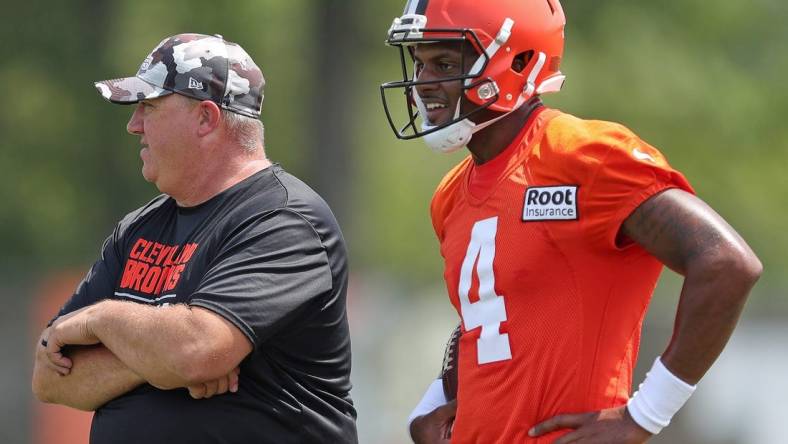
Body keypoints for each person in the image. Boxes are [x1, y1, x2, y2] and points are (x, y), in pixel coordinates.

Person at [379, 1, 762, 443]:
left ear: (518, 61)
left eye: (444, 63)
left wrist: (645, 414)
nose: (423, 83)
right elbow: (492, 313)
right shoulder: (451, 195)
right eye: (420, 62)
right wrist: (430, 407)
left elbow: (727, 265)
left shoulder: (582, 156)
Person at [31, 33, 358, 444]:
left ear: (206, 118)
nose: (134, 126)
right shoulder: (139, 227)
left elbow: (196, 352)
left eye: (148, 107)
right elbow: (51, 377)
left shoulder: (285, 219)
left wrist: (102, 320)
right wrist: (157, 362)